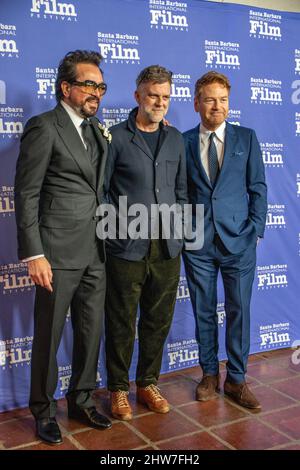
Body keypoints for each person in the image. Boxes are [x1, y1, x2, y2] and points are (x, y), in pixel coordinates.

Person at [14, 50, 112, 445]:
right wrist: (34, 253)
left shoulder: (96, 130)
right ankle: (43, 410)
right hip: (55, 253)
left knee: (91, 331)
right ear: (65, 87)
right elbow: (27, 193)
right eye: (89, 84)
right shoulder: (44, 127)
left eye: (101, 86)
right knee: (49, 335)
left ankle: (82, 399)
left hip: (95, 250)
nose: (97, 92)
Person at [103, 65, 187, 420]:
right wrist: (117, 230)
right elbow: (102, 192)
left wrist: (180, 230)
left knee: (158, 319)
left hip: (167, 247)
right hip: (126, 248)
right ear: (138, 96)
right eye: (153, 95)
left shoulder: (175, 138)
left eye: (166, 96)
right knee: (121, 319)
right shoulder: (116, 137)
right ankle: (119, 389)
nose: (160, 102)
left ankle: (148, 382)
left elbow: (182, 190)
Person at [182, 71, 267, 410]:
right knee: (203, 310)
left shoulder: (247, 138)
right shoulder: (183, 141)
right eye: (209, 99)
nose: (217, 106)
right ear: (196, 103)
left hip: (239, 242)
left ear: (228, 104)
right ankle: (208, 375)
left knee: (239, 310)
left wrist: (255, 231)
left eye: (223, 100)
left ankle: (236, 378)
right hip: (198, 244)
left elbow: (258, 188)